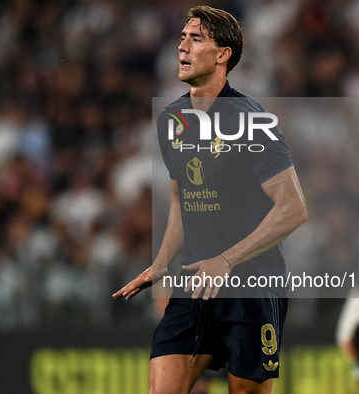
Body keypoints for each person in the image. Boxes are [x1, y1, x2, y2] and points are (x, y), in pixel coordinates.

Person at [113, 6, 307, 394]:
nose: (182, 46)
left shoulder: (252, 121)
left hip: (252, 287)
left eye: (196, 38)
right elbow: (181, 201)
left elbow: (294, 208)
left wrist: (227, 259)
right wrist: (162, 262)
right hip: (194, 284)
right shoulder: (171, 120)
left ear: (223, 55)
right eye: (182, 37)